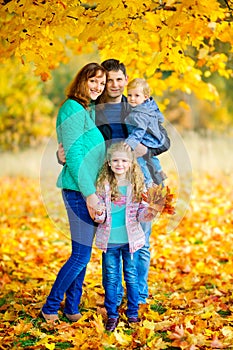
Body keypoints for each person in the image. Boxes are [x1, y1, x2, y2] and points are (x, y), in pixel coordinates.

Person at [57, 59, 166, 305]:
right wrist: (59, 155)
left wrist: (144, 148)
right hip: (106, 183)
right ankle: (113, 300)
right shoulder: (93, 109)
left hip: (139, 180)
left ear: (126, 81)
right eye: (108, 80)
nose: (113, 85)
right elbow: (78, 146)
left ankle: (138, 298)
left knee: (141, 241)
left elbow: (164, 141)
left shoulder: (137, 104)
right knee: (111, 241)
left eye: (118, 80)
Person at [41, 63, 107, 323]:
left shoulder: (87, 111)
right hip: (78, 191)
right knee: (81, 255)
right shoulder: (71, 108)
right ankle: (50, 305)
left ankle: (72, 308)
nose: (97, 87)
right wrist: (90, 195)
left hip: (88, 190)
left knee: (82, 254)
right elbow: (76, 156)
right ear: (82, 80)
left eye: (101, 84)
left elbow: (75, 153)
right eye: (93, 81)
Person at [94, 142, 159, 331]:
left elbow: (140, 214)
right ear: (108, 163)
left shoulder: (137, 186)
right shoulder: (102, 185)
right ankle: (112, 315)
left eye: (123, 160)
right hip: (110, 241)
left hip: (131, 242)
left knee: (131, 276)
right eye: (115, 160)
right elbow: (101, 215)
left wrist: (149, 213)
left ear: (131, 163)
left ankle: (132, 313)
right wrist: (98, 213)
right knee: (111, 279)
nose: (119, 164)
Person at [124, 78, 170, 187]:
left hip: (145, 140)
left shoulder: (139, 113)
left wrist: (131, 142)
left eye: (136, 95)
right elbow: (160, 118)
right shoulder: (150, 106)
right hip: (153, 139)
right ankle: (159, 171)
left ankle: (148, 181)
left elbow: (139, 129)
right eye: (129, 95)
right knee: (152, 158)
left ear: (145, 97)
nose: (132, 99)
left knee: (139, 158)